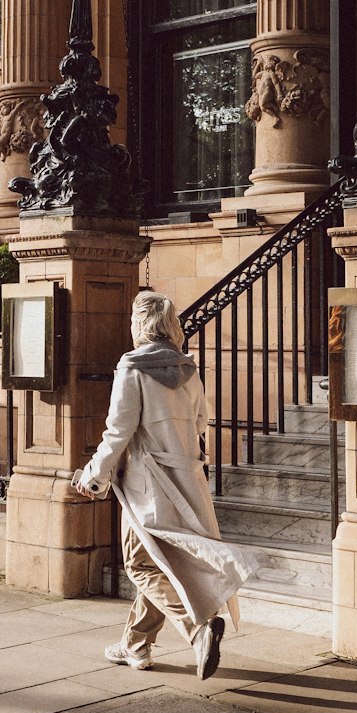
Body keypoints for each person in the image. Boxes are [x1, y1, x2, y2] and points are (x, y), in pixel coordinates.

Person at [74, 290, 261, 680]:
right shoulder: (188, 368)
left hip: (149, 483)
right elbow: (200, 424)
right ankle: (135, 645)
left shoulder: (132, 368)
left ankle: (199, 630)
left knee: (139, 563)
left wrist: (93, 476)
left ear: (139, 324)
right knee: (163, 560)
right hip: (187, 476)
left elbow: (118, 432)